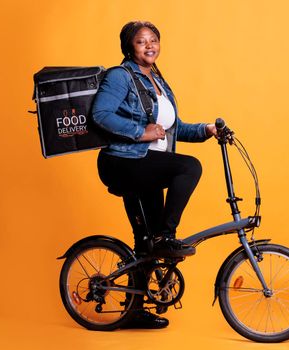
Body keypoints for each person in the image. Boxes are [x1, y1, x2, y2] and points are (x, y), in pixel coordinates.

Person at [92, 21, 217, 329]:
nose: (149, 46)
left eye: (153, 40)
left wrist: (207, 130)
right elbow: (100, 114)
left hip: (147, 164)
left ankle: (134, 310)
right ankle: (166, 236)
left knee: (146, 242)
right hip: (123, 162)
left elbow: (173, 128)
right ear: (129, 47)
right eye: (141, 42)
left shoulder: (157, 79)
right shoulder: (120, 76)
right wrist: (139, 133)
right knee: (189, 167)